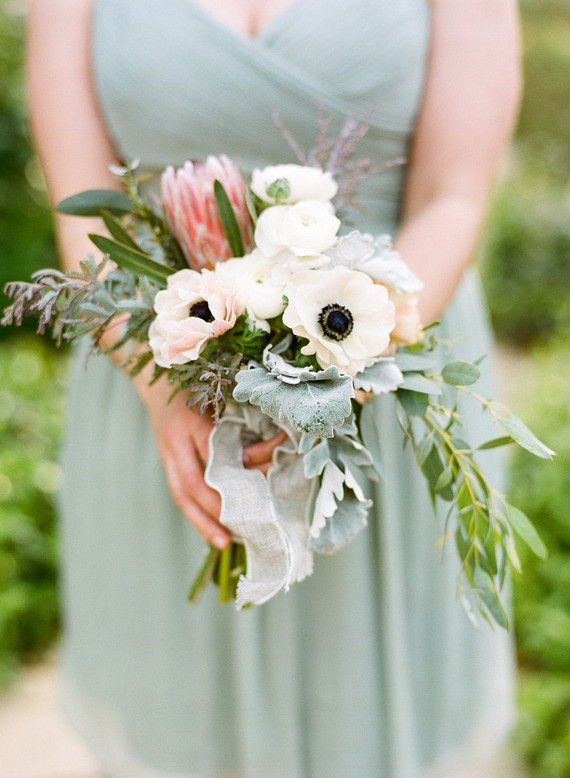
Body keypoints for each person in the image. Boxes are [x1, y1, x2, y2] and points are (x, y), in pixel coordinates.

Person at [27, 0, 521, 776]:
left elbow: (453, 195)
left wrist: (332, 376)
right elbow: (84, 219)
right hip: (160, 393)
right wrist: (166, 391)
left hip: (387, 386)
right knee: (178, 715)